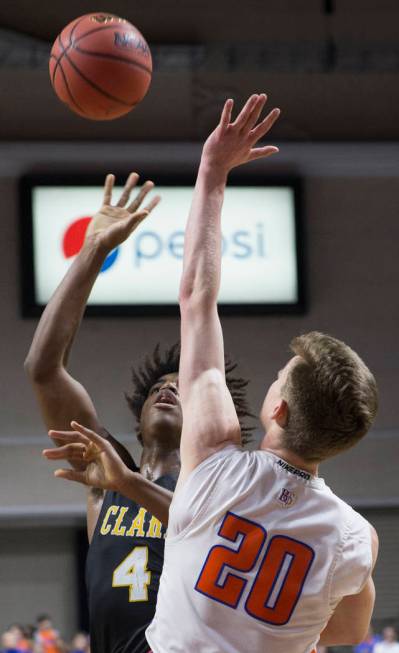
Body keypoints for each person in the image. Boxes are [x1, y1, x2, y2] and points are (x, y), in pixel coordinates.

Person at [50, 94, 380, 652]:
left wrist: (213, 172)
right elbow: (347, 632)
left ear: (277, 409)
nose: (273, 380)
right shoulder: (353, 538)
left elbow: (197, 299)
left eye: (281, 375)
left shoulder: (214, 466)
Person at [26, 174, 252, 653]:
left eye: (182, 389)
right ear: (140, 415)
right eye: (158, 388)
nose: (168, 391)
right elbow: (44, 368)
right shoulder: (104, 472)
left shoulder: (216, 487)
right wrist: (93, 251)